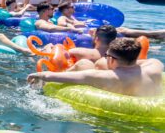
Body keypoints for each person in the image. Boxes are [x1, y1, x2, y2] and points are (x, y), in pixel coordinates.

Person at [28, 38, 164, 97]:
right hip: (149, 109)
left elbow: (55, 76)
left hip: (117, 116)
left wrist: (40, 75)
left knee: (83, 65)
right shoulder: (155, 66)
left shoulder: (107, 77)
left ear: (111, 58)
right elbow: (142, 62)